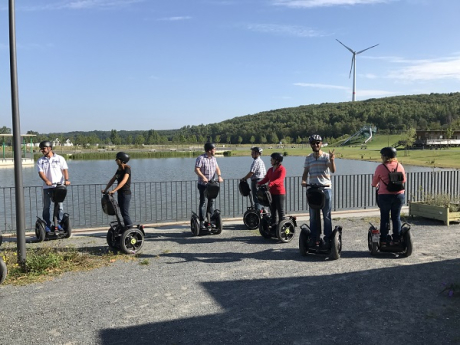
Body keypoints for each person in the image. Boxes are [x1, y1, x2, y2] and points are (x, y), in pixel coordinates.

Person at [301, 134, 336, 246]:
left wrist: (332, 160)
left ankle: (328, 238)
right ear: (310, 145)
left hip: (325, 189)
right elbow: (306, 172)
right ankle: (314, 237)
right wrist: (303, 180)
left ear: (321, 144)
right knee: (313, 215)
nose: (315, 145)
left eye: (317, 143)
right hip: (313, 189)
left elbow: (333, 170)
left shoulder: (326, 156)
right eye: (313, 143)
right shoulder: (308, 158)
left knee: (326, 215)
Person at [372, 147, 406, 245]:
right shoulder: (400, 166)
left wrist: (376, 185)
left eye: (382, 155)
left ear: (385, 156)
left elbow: (374, 182)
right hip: (399, 195)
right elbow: (403, 180)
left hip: (385, 196)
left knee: (385, 217)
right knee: (396, 217)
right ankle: (397, 239)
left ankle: (384, 239)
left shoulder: (381, 167)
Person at [36, 140, 70, 232]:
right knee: (47, 206)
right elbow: (41, 173)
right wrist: (47, 181)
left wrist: (66, 180)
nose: (42, 150)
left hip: (59, 187)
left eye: (44, 148)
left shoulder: (59, 158)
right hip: (47, 187)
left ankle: (58, 223)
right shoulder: (41, 161)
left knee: (60, 206)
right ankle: (47, 224)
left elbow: (65, 170)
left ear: (49, 148)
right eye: (41, 149)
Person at [195, 142, 224, 229]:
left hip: (212, 184)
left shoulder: (214, 159)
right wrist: (203, 177)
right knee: (203, 202)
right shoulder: (201, 158)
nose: (215, 150)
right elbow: (196, 169)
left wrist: (219, 176)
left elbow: (217, 168)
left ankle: (210, 220)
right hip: (203, 184)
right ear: (209, 150)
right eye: (214, 149)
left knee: (211, 202)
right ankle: (202, 221)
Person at [101, 152, 133, 229]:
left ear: (122, 160)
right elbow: (112, 179)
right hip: (120, 193)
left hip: (126, 194)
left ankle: (130, 229)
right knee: (121, 213)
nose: (115, 160)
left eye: (117, 159)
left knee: (125, 213)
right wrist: (106, 189)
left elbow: (123, 181)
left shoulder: (127, 169)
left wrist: (114, 190)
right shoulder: (119, 170)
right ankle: (126, 228)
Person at [258, 152, 286, 225]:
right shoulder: (270, 169)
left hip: (279, 193)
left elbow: (280, 179)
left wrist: (271, 184)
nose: (270, 160)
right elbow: (266, 178)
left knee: (280, 211)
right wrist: (259, 183)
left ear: (277, 160)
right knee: (272, 211)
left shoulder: (282, 169)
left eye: (272, 159)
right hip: (271, 193)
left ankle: (282, 226)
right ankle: (273, 226)